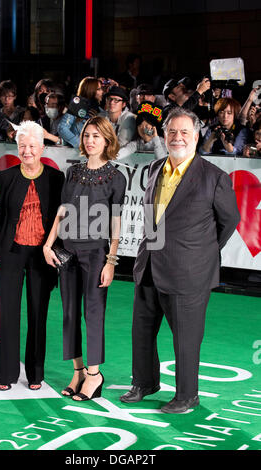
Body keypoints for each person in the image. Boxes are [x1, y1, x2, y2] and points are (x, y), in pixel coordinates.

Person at [120, 107, 240, 413]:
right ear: (164, 135)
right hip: (148, 264)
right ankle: (144, 383)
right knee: (142, 330)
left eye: (185, 132)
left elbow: (229, 221)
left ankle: (188, 395)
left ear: (196, 137)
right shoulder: (154, 168)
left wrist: (202, 251)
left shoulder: (215, 178)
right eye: (172, 132)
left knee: (186, 338)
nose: (178, 137)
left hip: (189, 272)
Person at [43, 116, 126, 401]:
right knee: (68, 313)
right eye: (87, 135)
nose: (90, 140)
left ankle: (94, 374)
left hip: (96, 253)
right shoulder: (73, 172)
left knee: (93, 313)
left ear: (107, 140)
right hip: (66, 251)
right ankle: (77, 371)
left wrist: (111, 262)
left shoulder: (117, 177)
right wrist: (48, 243)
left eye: (96, 136)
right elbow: (62, 210)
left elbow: (116, 222)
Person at [0, 120, 64, 391]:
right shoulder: (7, 176)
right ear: (17, 147)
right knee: (8, 314)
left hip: (41, 256)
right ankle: (6, 374)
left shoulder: (56, 178)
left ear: (42, 148)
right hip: (10, 252)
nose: (27, 151)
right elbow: (0, 215)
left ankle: (35, 374)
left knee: (38, 313)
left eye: (32, 145)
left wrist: (56, 252)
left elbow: (59, 219)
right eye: (23, 146)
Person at [58, 77, 104, 148]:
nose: (102, 92)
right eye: (98, 89)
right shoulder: (76, 107)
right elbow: (62, 128)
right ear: (90, 91)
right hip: (77, 155)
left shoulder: (100, 111)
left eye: (101, 89)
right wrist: (80, 144)